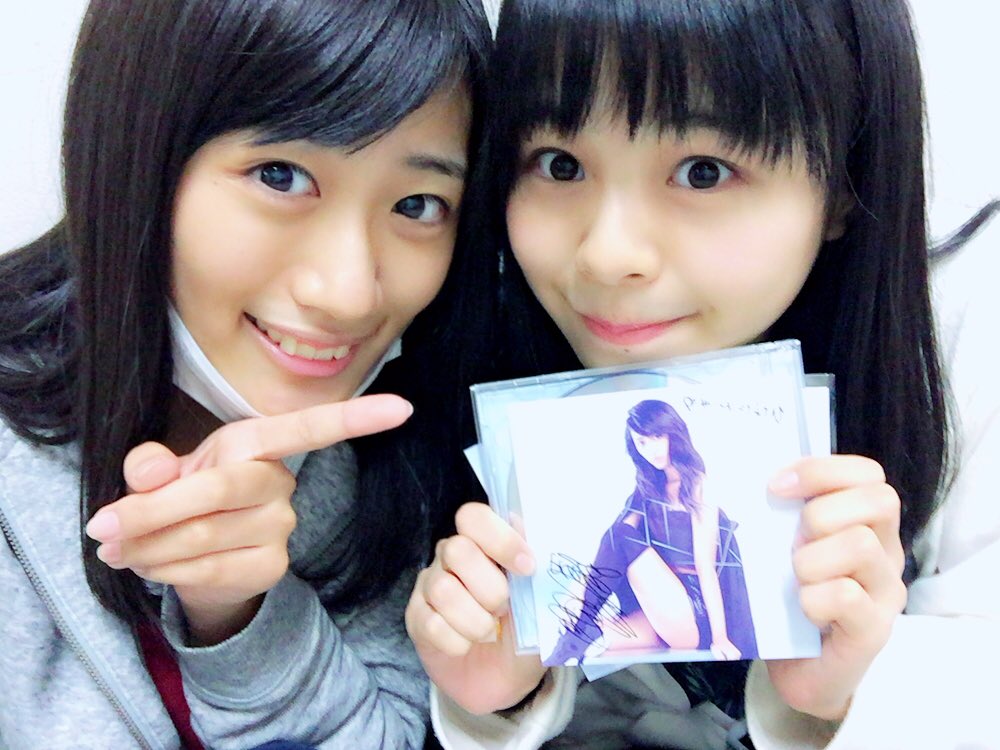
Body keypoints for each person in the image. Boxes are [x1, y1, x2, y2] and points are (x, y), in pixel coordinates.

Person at [405, 0, 1000, 747]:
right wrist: (495, 700)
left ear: (843, 187)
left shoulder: (968, 325)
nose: (607, 255)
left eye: (703, 172)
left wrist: (848, 692)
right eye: (560, 164)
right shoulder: (467, 325)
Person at [0, 1, 490, 748]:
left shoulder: (401, 445)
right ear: (138, 155)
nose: (350, 294)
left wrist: (239, 611)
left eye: (417, 205)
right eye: (280, 176)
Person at [548, 399, 756, 667]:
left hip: (692, 613)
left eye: (657, 437)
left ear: (673, 433)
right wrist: (576, 596)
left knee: (622, 536)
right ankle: (581, 629)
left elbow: (706, 567)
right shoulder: (647, 488)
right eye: (641, 442)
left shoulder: (698, 485)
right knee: (581, 630)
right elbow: (610, 551)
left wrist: (720, 638)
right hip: (658, 611)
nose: (651, 449)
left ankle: (582, 624)